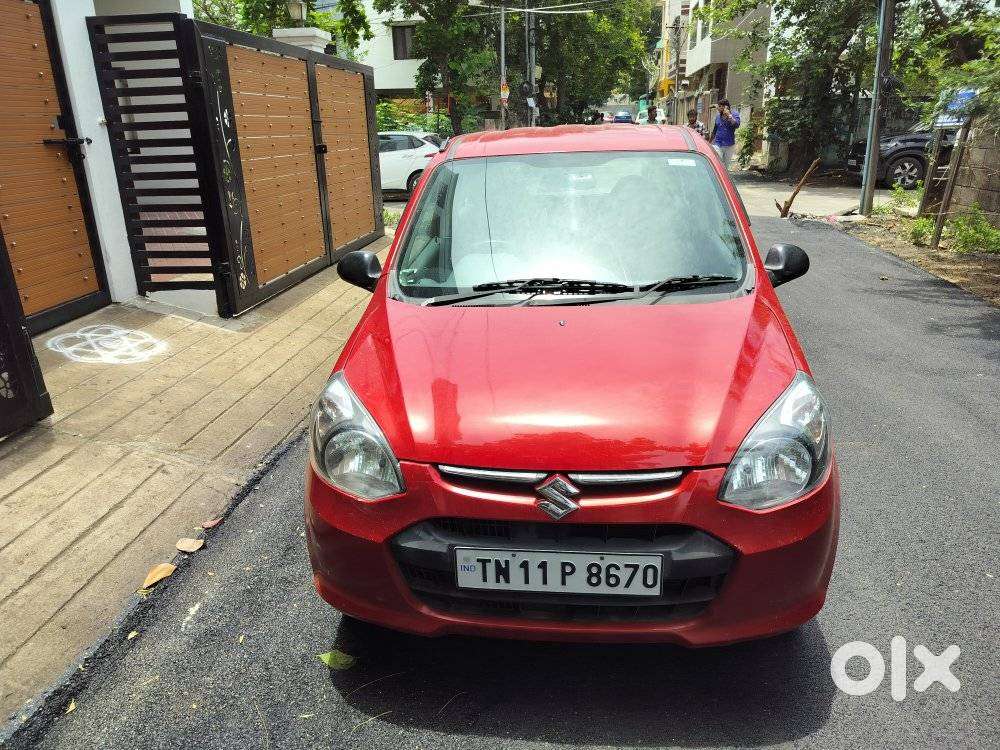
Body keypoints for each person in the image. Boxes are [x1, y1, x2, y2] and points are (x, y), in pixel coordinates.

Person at [711, 98, 741, 170]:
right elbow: (715, 130)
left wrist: (729, 116)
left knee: (726, 167)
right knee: (718, 163)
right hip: (718, 144)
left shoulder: (734, 114)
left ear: (726, 107)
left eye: (720, 106)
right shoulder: (718, 116)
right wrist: (709, 141)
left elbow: (736, 125)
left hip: (729, 145)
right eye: (718, 106)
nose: (718, 108)